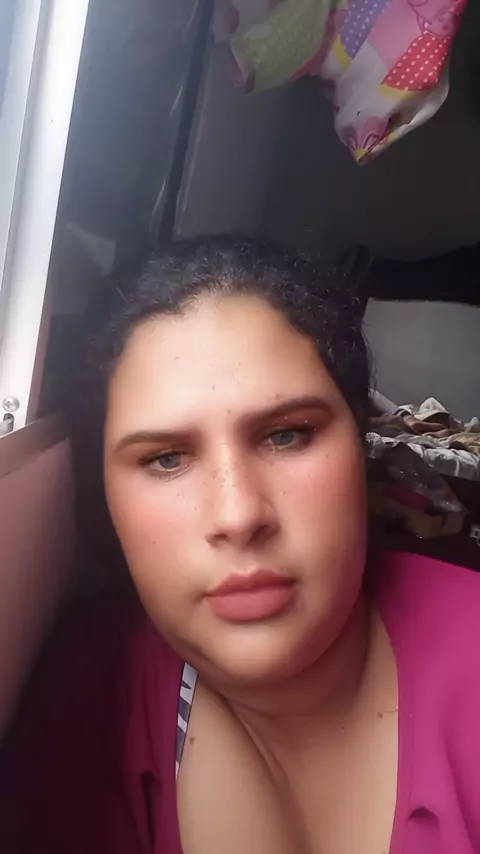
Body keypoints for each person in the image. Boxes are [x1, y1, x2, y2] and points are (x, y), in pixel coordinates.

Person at [1, 235, 480, 854]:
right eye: (167, 458)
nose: (238, 515)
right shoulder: (85, 697)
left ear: (361, 445)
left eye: (287, 436)